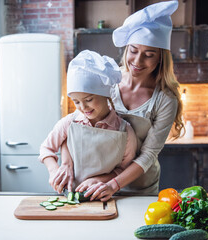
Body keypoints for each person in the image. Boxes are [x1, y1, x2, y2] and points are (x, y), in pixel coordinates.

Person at [51, 0, 184, 201]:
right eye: (133, 51)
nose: (137, 62)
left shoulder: (165, 99)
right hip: (94, 181)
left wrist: (113, 183)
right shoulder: (108, 79)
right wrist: (66, 163)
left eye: (149, 55)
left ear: (160, 59)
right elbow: (75, 125)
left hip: (138, 188)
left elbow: (148, 155)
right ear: (126, 49)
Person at [39, 50, 137, 194]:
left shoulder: (124, 131)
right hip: (70, 196)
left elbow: (124, 170)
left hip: (105, 197)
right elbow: (46, 148)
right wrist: (54, 170)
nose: (83, 107)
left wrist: (99, 180)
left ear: (105, 95)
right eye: (76, 101)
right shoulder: (69, 122)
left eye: (89, 99)